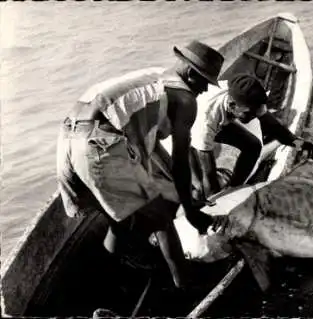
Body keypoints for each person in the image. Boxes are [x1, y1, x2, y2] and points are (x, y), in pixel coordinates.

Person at [56, 40, 224, 288]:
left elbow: (149, 146)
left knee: (119, 222)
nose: (204, 91)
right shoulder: (186, 99)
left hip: (67, 139)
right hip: (100, 145)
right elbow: (179, 161)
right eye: (204, 84)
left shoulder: (154, 77)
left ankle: (106, 278)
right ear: (191, 74)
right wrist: (189, 210)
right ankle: (187, 289)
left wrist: (179, 192)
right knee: (161, 219)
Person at [190, 73, 313, 199]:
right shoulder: (206, 119)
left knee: (253, 146)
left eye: (256, 113)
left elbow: (277, 130)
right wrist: (215, 203)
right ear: (232, 105)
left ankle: (233, 188)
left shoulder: (244, 100)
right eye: (250, 113)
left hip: (218, 120)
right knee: (203, 186)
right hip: (183, 132)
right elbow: (209, 174)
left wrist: (300, 144)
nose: (254, 117)